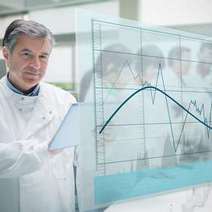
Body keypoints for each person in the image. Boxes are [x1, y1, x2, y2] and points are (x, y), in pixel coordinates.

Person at [0, 19, 76, 212]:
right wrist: (45, 150)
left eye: (43, 56)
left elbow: (79, 160)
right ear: (6, 54)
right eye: (27, 54)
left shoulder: (65, 100)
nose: (36, 65)